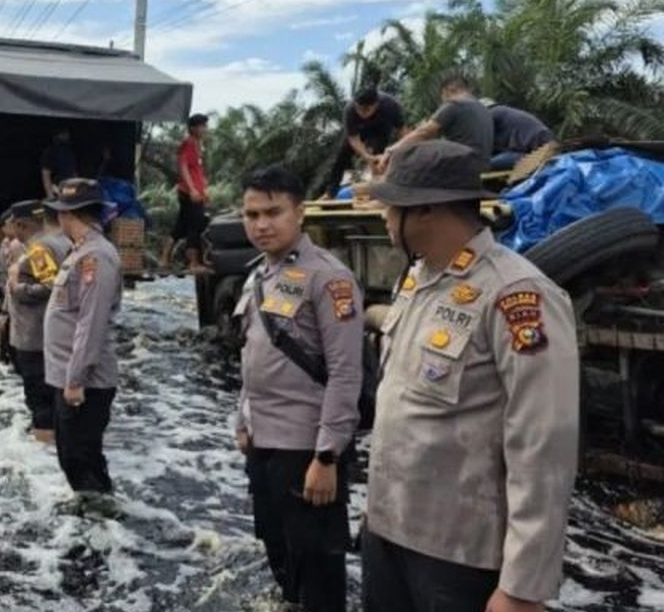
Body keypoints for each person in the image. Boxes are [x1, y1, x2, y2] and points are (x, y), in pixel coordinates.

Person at [362, 140, 579, 612]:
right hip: (388, 530)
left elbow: (545, 445)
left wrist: (523, 586)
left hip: (458, 555)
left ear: (426, 210)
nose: (383, 215)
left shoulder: (517, 295)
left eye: (391, 204)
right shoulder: (420, 279)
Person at [233, 165, 363, 612]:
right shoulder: (260, 275)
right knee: (277, 546)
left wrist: (327, 455)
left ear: (300, 213)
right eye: (252, 214)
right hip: (263, 442)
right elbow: (252, 351)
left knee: (318, 564)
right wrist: (243, 416)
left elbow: (347, 373)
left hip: (306, 448)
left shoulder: (328, 277)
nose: (261, 224)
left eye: (273, 212)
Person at [43, 179, 122, 495]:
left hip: (85, 382)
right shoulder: (81, 252)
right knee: (72, 456)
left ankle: (100, 526)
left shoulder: (96, 257)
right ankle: (91, 519)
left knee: (81, 458)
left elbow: (91, 323)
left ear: (68, 214)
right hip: (70, 376)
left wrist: (75, 379)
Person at [9, 200, 72, 444]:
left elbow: (50, 286)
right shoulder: (62, 241)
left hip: (35, 335)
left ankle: (44, 449)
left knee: (40, 400)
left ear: (20, 224)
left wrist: (18, 289)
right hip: (55, 331)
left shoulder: (38, 248)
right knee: (53, 396)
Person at [379, 73, 493, 172]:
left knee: (411, 155)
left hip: (461, 165)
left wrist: (392, 150)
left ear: (449, 91)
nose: (443, 102)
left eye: (442, 97)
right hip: (483, 165)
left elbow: (424, 132)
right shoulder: (483, 108)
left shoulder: (455, 104)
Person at [319, 88, 407, 198]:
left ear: (376, 104)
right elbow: (353, 139)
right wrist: (366, 156)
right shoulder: (350, 109)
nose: (362, 113)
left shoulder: (390, 105)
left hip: (381, 129)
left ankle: (377, 191)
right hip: (359, 129)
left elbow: (402, 131)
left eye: (366, 109)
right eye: (359, 109)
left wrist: (402, 150)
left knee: (377, 157)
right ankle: (331, 192)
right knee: (341, 156)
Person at [164, 113, 210, 275]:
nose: (205, 129)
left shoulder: (198, 144)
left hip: (195, 191)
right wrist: (193, 190)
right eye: (202, 126)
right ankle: (193, 262)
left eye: (205, 126)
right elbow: (183, 167)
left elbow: (197, 170)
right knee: (194, 226)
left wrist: (204, 188)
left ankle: (164, 259)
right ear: (193, 128)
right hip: (189, 193)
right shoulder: (188, 143)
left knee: (180, 226)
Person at [482, 100, 555, 171]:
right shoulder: (504, 113)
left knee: (483, 165)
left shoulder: (493, 113)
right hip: (541, 147)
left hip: (537, 151)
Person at [0, 208, 25, 366]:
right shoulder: (5, 244)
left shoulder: (22, 245)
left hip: (18, 294)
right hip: (8, 292)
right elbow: (3, 270)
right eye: (8, 224)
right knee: (6, 331)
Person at [41, 130, 79, 199]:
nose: (66, 135)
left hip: (71, 187)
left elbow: (74, 171)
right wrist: (50, 195)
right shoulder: (50, 151)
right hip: (57, 187)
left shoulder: (70, 150)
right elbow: (46, 174)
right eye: (63, 133)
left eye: (67, 133)